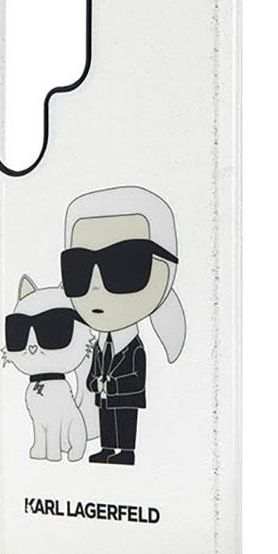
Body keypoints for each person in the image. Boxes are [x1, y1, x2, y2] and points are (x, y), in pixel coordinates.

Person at [60, 186, 186, 465]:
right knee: (107, 421)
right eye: (79, 268)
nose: (96, 286)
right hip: (105, 396)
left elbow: (137, 375)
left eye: (125, 266)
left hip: (124, 397)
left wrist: (113, 384)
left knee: (125, 423)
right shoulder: (100, 343)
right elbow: (94, 369)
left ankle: (126, 451)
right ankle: (108, 448)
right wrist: (94, 383)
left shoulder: (134, 346)